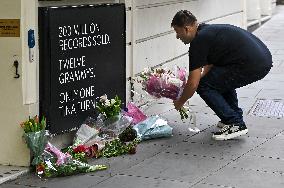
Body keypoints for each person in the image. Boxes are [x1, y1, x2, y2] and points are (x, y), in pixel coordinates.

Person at [171, 10, 273, 140]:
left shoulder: (198, 42)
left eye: (177, 31)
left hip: (253, 64)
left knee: (204, 85)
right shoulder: (206, 32)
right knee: (216, 81)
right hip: (261, 59)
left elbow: (193, 83)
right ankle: (234, 116)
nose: (177, 36)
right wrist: (202, 79)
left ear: (186, 29)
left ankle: (234, 123)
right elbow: (211, 64)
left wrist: (180, 102)